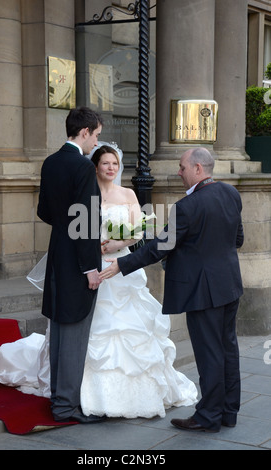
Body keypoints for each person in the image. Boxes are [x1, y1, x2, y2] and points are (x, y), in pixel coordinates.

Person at [0, 143, 198, 420]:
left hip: (119, 266)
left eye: (115, 164)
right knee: (83, 330)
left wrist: (116, 244)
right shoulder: (87, 191)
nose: (111, 168)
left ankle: (120, 395)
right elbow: (74, 228)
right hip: (86, 267)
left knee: (126, 331)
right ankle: (79, 393)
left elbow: (140, 232)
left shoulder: (128, 193)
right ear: (95, 166)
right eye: (105, 163)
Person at [100, 147, 244, 432]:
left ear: (198, 169)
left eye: (182, 167)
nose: (178, 172)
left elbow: (160, 247)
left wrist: (122, 265)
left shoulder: (187, 207)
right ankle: (228, 412)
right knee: (228, 348)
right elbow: (237, 239)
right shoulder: (231, 194)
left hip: (203, 291)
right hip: (229, 284)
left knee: (209, 353)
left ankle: (208, 416)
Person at [34, 106, 104, 424]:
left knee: (60, 329)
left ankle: (58, 399)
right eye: (96, 136)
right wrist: (91, 267)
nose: (96, 143)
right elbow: (87, 221)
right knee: (74, 331)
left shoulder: (50, 163)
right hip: (78, 260)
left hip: (57, 253)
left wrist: (63, 224)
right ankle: (65, 406)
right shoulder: (83, 167)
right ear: (85, 132)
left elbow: (44, 212)